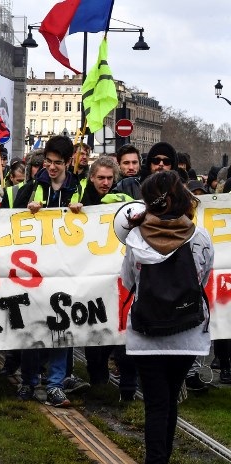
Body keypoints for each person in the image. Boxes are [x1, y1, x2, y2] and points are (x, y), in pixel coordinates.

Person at [121, 170, 213, 464]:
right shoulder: (200, 236)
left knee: (156, 403)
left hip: (148, 333)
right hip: (187, 332)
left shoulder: (136, 239)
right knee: (170, 400)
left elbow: (129, 280)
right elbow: (203, 276)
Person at [13, 135, 86, 407]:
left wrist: (82, 211)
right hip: (34, 270)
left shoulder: (79, 189)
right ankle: (29, 380)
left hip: (66, 270)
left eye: (57, 163)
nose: (51, 168)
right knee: (33, 327)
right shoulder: (32, 188)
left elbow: (95, 220)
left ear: (68, 163)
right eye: (48, 162)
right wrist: (26, 210)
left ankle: (55, 383)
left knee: (61, 326)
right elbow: (11, 220)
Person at [75, 157, 138, 400]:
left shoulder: (122, 202)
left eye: (110, 178)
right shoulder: (80, 199)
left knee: (123, 333)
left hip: (119, 276)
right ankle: (98, 377)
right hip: (90, 276)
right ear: (91, 178)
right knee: (95, 331)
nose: (105, 182)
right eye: (100, 178)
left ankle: (128, 387)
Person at [113, 142, 178, 200]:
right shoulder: (124, 185)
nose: (161, 164)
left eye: (166, 161)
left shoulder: (179, 190)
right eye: (156, 160)